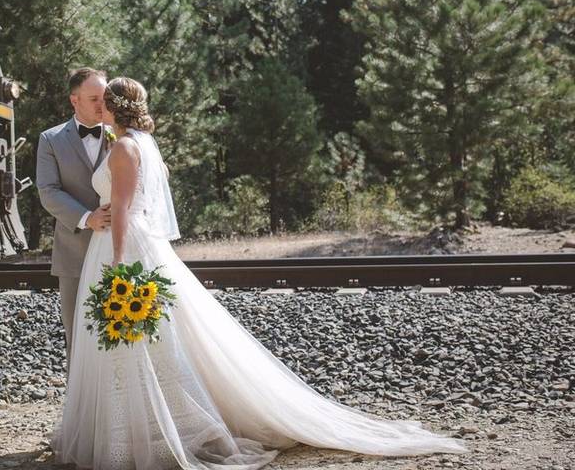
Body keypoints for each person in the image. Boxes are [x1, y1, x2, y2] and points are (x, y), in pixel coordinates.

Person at [51, 77, 467, 469]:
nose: (97, 105)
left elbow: (122, 209)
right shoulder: (134, 142)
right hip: (128, 242)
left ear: (114, 106)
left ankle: (151, 431)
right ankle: (138, 426)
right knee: (144, 339)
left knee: (140, 337)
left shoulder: (125, 148)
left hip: (123, 247)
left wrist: (120, 264)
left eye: (103, 101)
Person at [37, 68, 113, 372]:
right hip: (73, 253)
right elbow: (48, 191)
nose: (101, 105)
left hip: (118, 251)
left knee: (120, 334)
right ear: (74, 100)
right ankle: (80, 411)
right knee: (78, 337)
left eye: (105, 98)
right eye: (94, 98)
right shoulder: (51, 139)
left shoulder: (121, 135)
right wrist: (86, 218)